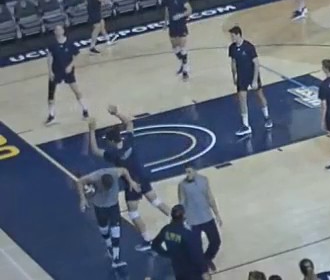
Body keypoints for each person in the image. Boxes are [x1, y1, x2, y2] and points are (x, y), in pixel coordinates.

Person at [88, 106, 168, 250]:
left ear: (112, 141)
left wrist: (91, 130)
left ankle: (147, 240)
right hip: (142, 177)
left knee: (133, 213)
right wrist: (116, 113)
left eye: (108, 140)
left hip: (131, 184)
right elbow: (129, 123)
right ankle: (182, 221)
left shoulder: (113, 154)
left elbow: (94, 150)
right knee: (156, 201)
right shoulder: (129, 141)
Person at [78, 165, 139, 269]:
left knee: (116, 230)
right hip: (100, 207)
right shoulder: (95, 177)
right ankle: (109, 246)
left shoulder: (115, 173)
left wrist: (131, 181)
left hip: (113, 206)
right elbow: (80, 181)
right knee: (104, 230)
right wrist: (82, 199)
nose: (107, 190)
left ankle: (116, 259)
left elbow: (124, 170)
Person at [228, 26, 271, 137]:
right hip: (241, 76)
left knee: (259, 96)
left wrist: (255, 80)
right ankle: (246, 126)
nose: (231, 38)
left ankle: (267, 117)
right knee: (242, 99)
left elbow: (256, 63)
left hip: (251, 75)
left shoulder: (249, 47)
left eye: (233, 36)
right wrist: (234, 76)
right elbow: (233, 63)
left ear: (238, 35)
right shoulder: (232, 48)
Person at [177, 165, 222, 271]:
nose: (187, 175)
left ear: (195, 171)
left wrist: (217, 214)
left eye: (189, 172)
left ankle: (207, 258)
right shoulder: (182, 185)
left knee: (216, 241)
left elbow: (210, 197)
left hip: (206, 216)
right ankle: (200, 265)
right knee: (196, 246)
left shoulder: (204, 180)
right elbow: (182, 202)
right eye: (186, 172)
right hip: (192, 220)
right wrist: (182, 220)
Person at [150, 205, 210, 280]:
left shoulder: (166, 229)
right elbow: (196, 254)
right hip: (192, 270)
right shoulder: (187, 233)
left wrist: (167, 254)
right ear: (184, 216)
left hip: (177, 269)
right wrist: (204, 271)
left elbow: (155, 245)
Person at [46, 23, 89, 125]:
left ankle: (85, 110)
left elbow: (77, 54)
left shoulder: (69, 43)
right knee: (51, 95)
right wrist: (50, 71)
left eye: (59, 29)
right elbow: (49, 57)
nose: (57, 32)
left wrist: (71, 65)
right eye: (56, 30)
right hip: (56, 71)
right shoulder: (52, 44)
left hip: (67, 72)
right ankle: (51, 115)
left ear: (63, 31)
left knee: (77, 91)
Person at [163, 0, 194, 81]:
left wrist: (180, 15)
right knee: (175, 48)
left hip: (181, 24)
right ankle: (183, 63)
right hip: (172, 25)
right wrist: (165, 22)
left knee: (182, 46)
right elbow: (167, 10)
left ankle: (185, 70)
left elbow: (189, 10)